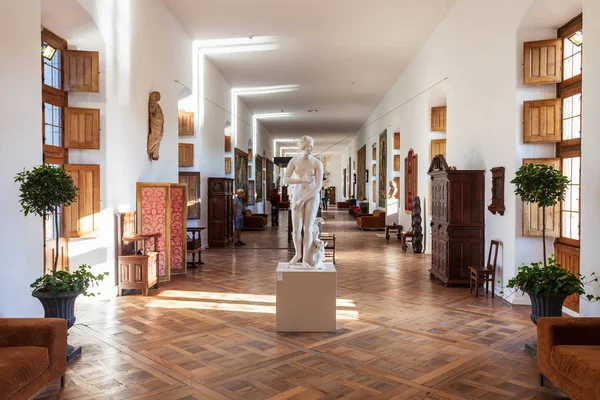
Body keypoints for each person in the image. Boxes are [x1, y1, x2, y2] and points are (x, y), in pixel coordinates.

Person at [283, 135, 324, 267]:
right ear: (302, 147)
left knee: (308, 228)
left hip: (311, 197)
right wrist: (301, 181)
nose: (311, 148)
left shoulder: (317, 163)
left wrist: (303, 199)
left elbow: (318, 187)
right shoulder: (294, 161)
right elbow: (286, 179)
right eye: (308, 146)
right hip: (297, 195)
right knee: (296, 229)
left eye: (312, 146)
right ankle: (298, 254)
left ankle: (306, 257)